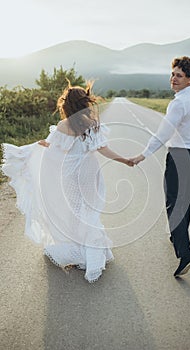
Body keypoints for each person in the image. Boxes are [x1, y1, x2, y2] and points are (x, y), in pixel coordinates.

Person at [2, 81, 134, 282]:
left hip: (70, 176)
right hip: (90, 174)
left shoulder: (63, 126)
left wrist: (39, 147)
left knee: (73, 211)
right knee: (88, 210)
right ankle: (91, 248)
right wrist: (124, 160)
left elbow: (55, 149)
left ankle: (77, 250)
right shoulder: (92, 125)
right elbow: (103, 149)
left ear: (67, 106)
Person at [130, 56, 190, 277]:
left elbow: (163, 133)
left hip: (179, 156)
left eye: (179, 75)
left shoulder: (178, 103)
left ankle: (185, 253)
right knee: (184, 198)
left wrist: (143, 155)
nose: (173, 79)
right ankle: (177, 237)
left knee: (173, 202)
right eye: (172, 74)